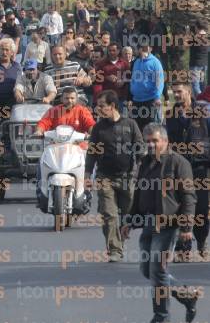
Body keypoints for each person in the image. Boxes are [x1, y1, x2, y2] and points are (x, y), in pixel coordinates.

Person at [121, 124, 200, 323]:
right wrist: (129, 221)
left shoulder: (178, 163)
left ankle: (161, 317)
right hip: (149, 223)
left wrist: (186, 227)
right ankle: (186, 295)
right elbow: (138, 194)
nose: (151, 145)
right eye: (148, 141)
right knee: (148, 270)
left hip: (169, 225)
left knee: (157, 271)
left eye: (155, 141)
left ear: (165, 141)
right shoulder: (146, 162)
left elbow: (189, 197)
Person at [85, 90, 144, 262]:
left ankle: (121, 239)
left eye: (102, 106)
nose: (98, 109)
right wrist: (88, 174)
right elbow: (92, 153)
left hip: (127, 177)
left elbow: (140, 148)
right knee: (109, 215)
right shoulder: (98, 128)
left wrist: (142, 169)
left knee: (127, 215)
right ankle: (114, 249)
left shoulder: (130, 125)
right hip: (105, 177)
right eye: (97, 106)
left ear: (112, 106)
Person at [165, 82, 210, 261]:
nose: (176, 95)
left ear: (189, 92)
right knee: (182, 208)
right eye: (174, 92)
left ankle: (201, 242)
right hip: (180, 168)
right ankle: (183, 249)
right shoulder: (170, 115)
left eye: (179, 91)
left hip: (201, 166)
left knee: (200, 210)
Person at [128, 41, 164, 131]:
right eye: (141, 48)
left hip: (150, 100)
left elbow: (159, 80)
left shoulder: (155, 62)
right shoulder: (136, 62)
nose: (143, 50)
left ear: (150, 49)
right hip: (136, 101)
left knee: (150, 129)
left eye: (146, 48)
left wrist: (157, 96)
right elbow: (133, 79)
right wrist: (131, 97)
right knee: (136, 129)